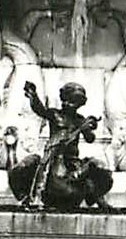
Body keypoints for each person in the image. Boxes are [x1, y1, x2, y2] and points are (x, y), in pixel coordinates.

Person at [14, 80, 112, 210]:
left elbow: (90, 138)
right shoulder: (55, 114)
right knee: (26, 167)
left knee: (98, 168)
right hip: (53, 157)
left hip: (73, 161)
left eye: (73, 102)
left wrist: (87, 127)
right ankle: (28, 195)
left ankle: (97, 197)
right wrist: (33, 95)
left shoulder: (80, 120)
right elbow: (40, 109)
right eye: (66, 100)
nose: (68, 104)